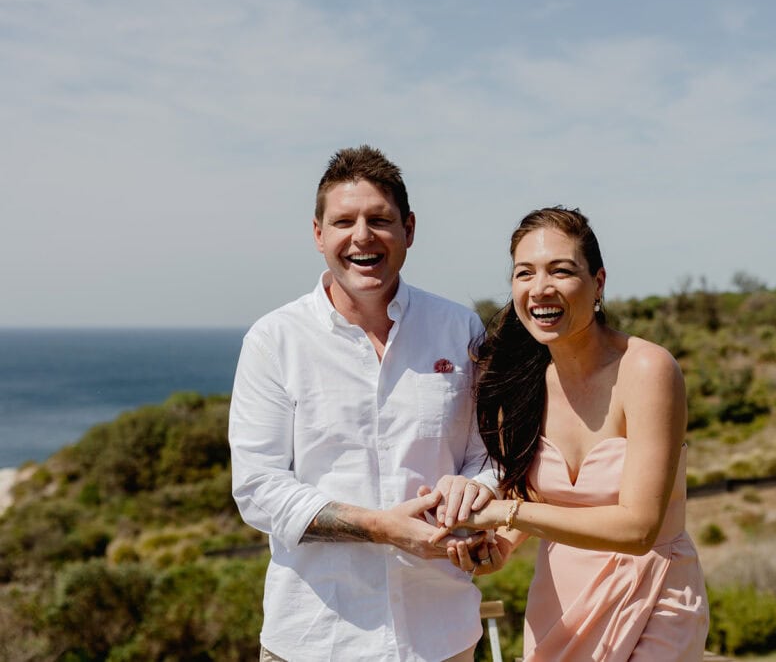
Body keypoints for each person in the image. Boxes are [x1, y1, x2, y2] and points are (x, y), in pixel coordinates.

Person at [229, 145, 499, 662]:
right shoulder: (273, 340)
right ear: (318, 235)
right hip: (315, 639)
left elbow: (487, 456)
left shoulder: (460, 328)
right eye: (343, 221)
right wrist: (382, 528)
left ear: (409, 230)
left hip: (441, 636)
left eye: (380, 219)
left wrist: (471, 492)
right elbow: (258, 488)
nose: (361, 236)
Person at [435, 207, 709, 661]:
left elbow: (639, 528)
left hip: (654, 596)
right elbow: (540, 500)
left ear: (598, 282)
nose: (540, 287)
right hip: (560, 606)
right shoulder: (522, 383)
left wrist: (509, 515)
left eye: (561, 270)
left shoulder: (647, 369)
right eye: (525, 273)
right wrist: (498, 546)